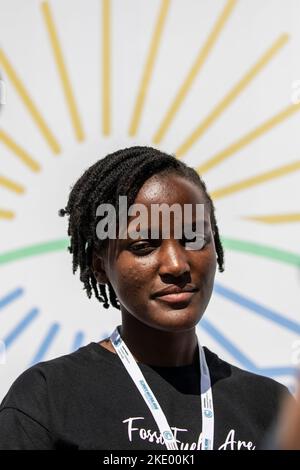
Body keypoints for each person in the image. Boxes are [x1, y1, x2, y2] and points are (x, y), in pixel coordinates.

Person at [0, 146, 291, 450]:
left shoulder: (271, 408)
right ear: (100, 267)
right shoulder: (46, 400)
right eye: (143, 246)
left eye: (193, 239)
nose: (176, 264)